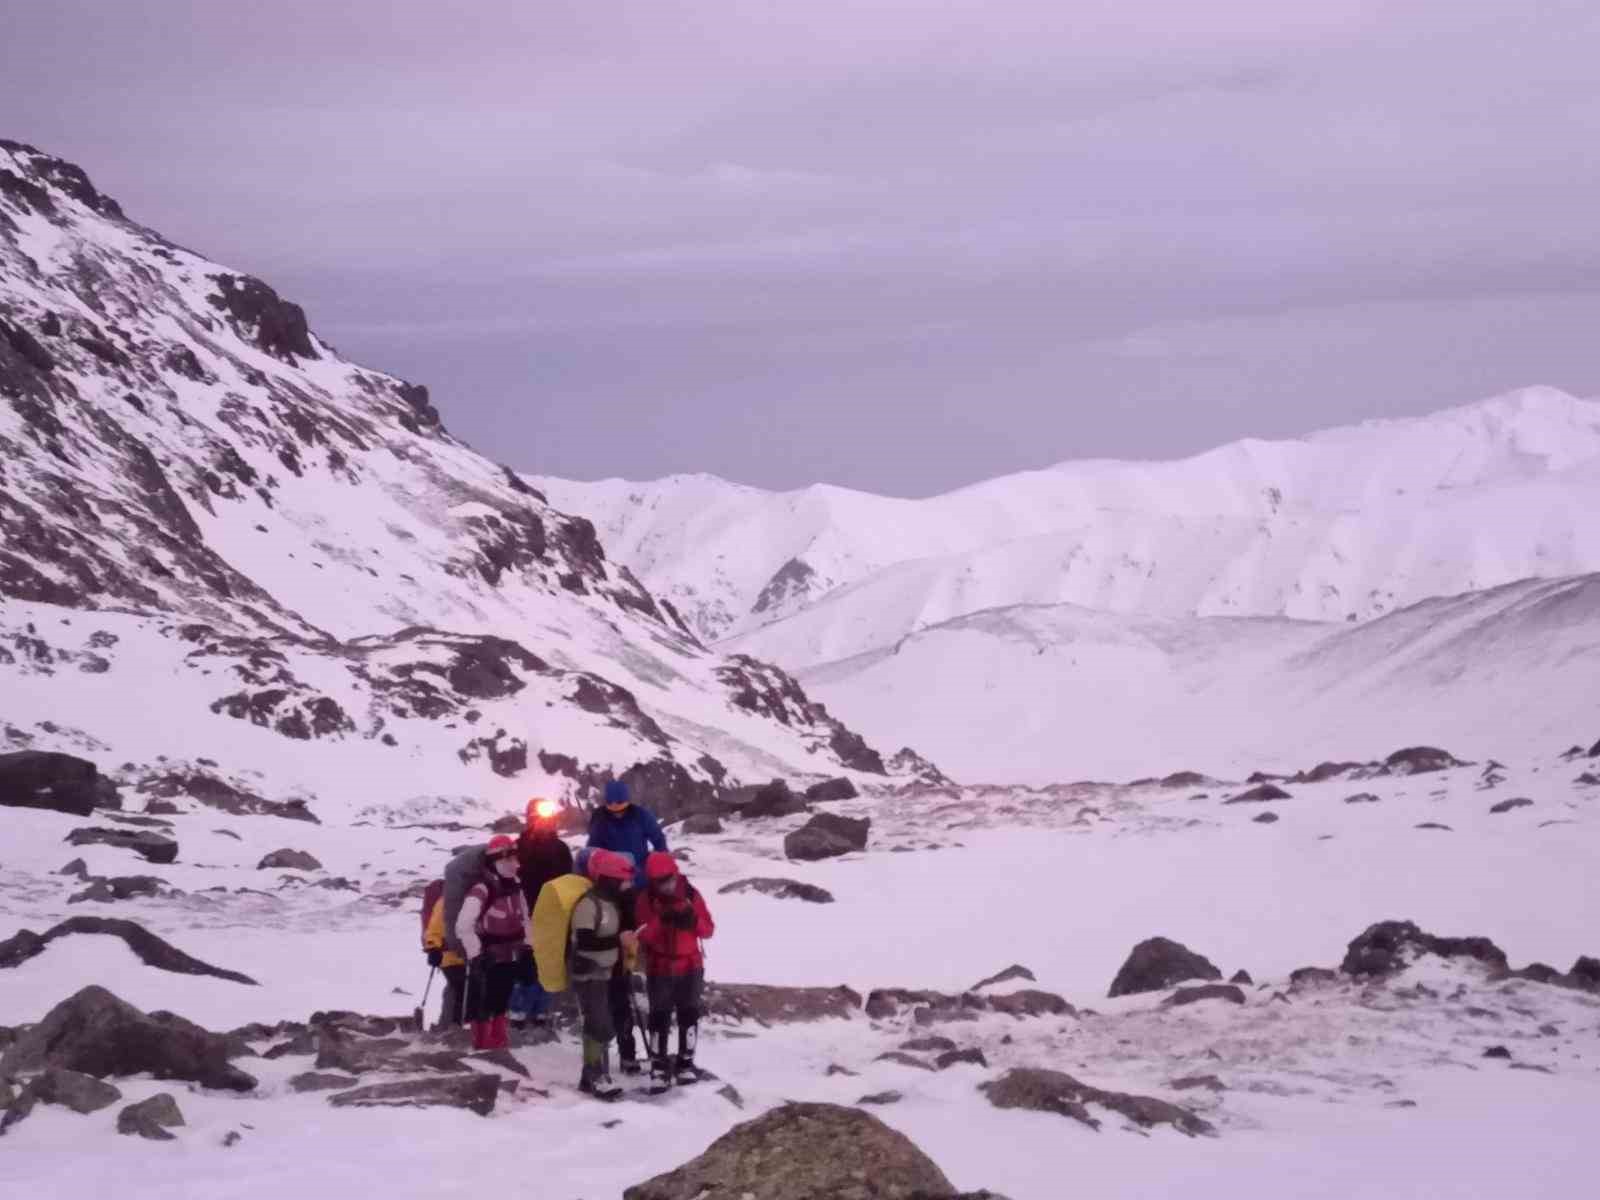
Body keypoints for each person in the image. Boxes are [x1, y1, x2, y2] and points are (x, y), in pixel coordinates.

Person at [586, 779, 666, 1071]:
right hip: (610, 884)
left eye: (621, 807)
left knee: (637, 926)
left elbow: (658, 840)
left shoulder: (641, 815)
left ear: (627, 803)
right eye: (612, 807)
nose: (617, 812)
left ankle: (634, 957)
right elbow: (593, 851)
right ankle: (624, 1050)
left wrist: (654, 867)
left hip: (639, 882)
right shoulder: (600, 820)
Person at [634, 851, 714, 1086]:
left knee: (689, 1014)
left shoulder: (691, 895)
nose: (665, 886)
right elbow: (644, 936)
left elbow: (708, 929)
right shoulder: (645, 900)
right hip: (660, 966)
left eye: (667, 879)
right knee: (659, 1017)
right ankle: (659, 1066)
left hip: (690, 965)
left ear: (674, 873)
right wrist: (662, 918)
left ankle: (685, 1063)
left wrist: (693, 921)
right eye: (659, 882)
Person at [570, 847, 638, 1099]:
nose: (627, 884)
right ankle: (594, 1074)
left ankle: (594, 1075)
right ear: (610, 879)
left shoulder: (610, 904)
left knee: (598, 1023)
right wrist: (617, 941)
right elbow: (585, 942)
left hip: (605, 973)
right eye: (623, 880)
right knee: (600, 1024)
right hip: (588, 974)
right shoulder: (588, 905)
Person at [454, 834, 532, 1051]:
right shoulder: (482, 889)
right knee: (485, 1002)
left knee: (502, 998)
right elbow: (463, 925)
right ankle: (483, 1046)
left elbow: (525, 918)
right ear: (495, 861)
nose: (514, 864)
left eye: (514, 859)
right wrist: (475, 954)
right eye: (508, 860)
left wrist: (528, 946)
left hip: (512, 952)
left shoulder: (516, 886)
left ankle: (499, 1043)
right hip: (489, 955)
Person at [509, 797, 574, 1026]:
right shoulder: (518, 848)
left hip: (554, 915)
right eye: (539, 819)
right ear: (530, 820)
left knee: (548, 964)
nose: (544, 824)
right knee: (524, 962)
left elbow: (569, 881)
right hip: (524, 913)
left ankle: (540, 1012)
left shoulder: (561, 849)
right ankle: (517, 1012)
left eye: (548, 819)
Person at [422, 885, 468, 1029]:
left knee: (460, 989)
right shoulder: (446, 903)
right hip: (450, 956)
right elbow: (434, 929)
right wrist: (433, 948)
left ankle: (452, 1025)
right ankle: (452, 1026)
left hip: (468, 956)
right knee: (459, 988)